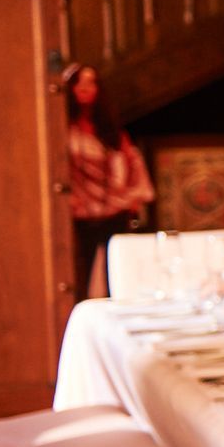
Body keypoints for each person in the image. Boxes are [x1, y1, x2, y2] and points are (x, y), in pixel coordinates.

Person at [63, 63, 154, 297]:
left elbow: (130, 161)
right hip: (80, 212)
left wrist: (133, 195)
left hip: (114, 208)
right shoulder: (62, 130)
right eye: (79, 83)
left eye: (90, 82)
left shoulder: (108, 130)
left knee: (116, 268)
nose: (85, 88)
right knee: (78, 271)